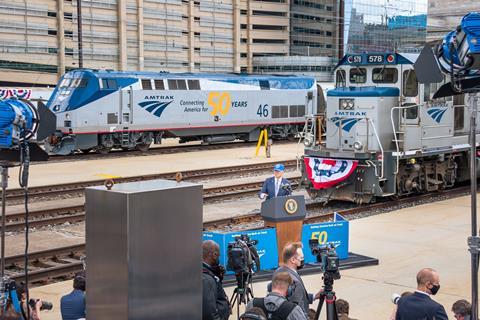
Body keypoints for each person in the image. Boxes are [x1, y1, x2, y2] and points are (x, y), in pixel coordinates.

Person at [274, 242, 320, 318]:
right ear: (293, 260)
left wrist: (314, 296)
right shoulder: (294, 281)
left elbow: (291, 297)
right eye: (301, 258)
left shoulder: (278, 271)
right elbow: (298, 309)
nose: (303, 260)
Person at [202, 240, 230, 320]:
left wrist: (217, 277)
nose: (219, 258)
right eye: (218, 255)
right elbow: (209, 314)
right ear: (214, 255)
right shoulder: (206, 280)